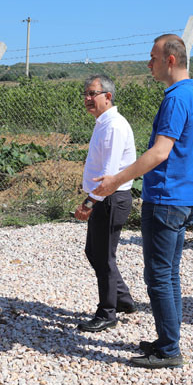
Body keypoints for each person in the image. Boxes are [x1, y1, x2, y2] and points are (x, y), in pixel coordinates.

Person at [93, 34, 193, 368]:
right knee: (169, 274)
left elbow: (160, 152)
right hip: (185, 198)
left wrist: (116, 180)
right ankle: (168, 339)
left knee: (158, 277)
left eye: (153, 58)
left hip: (166, 198)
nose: (149, 64)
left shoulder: (175, 98)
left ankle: (169, 350)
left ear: (170, 60)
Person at [73, 75, 137, 332]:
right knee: (95, 251)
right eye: (86, 94)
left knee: (103, 256)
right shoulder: (104, 123)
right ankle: (123, 299)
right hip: (104, 198)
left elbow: (109, 175)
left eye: (93, 94)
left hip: (110, 198)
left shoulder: (113, 126)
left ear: (108, 96)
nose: (88, 99)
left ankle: (107, 312)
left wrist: (89, 203)